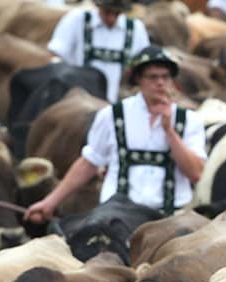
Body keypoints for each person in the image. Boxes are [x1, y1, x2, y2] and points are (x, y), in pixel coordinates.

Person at [24, 46, 205, 223]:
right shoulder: (112, 115)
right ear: (138, 80)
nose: (160, 83)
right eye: (153, 77)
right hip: (118, 219)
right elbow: (89, 162)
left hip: (171, 218)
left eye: (165, 77)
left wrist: (169, 132)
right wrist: (50, 202)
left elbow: (196, 173)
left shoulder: (189, 120)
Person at [47, 0, 151, 103]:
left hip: (118, 102)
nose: (111, 18)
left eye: (117, 13)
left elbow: (145, 66)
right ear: (98, 6)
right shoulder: (77, 20)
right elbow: (55, 54)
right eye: (107, 12)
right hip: (80, 101)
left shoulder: (136, 28)